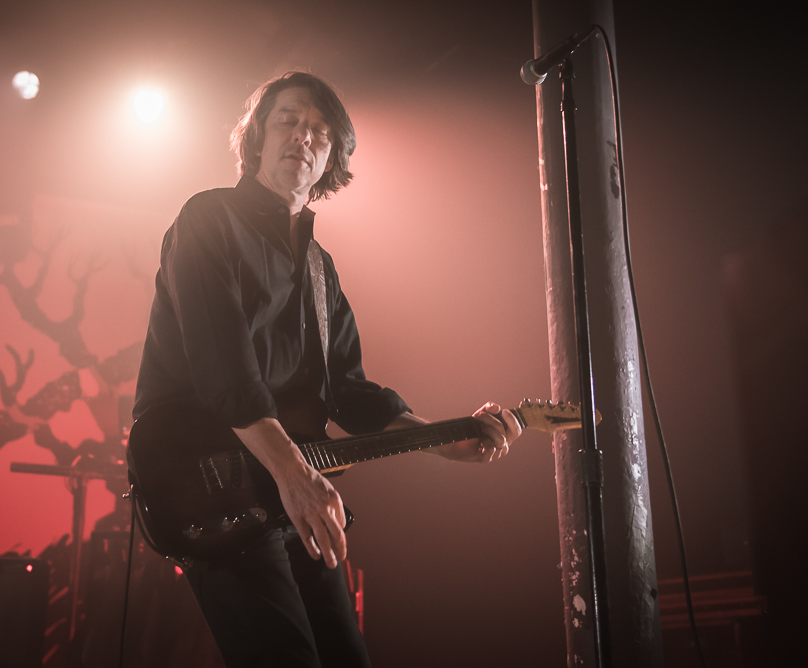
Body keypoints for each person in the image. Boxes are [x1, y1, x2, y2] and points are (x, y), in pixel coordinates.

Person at [133, 71, 522, 667]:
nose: (302, 137)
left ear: (332, 159)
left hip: (293, 488)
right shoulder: (208, 219)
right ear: (257, 135)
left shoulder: (320, 267)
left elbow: (348, 391)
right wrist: (293, 473)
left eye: (319, 130)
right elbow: (222, 369)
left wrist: (446, 442)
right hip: (214, 482)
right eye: (288, 120)